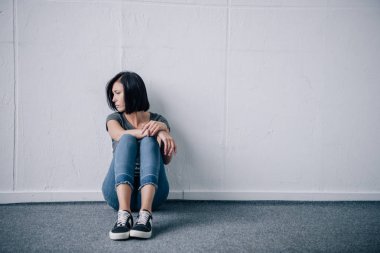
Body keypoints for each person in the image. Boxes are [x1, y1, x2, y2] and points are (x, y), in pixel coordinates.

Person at [101, 71, 176, 240]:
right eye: (113, 94)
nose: (113, 99)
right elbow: (118, 134)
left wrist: (162, 132)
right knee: (127, 138)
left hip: (153, 194)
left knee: (149, 141)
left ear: (132, 91)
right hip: (116, 194)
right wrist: (158, 131)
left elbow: (166, 160)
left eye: (117, 93)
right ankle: (124, 215)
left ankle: (145, 215)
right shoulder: (114, 118)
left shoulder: (158, 120)